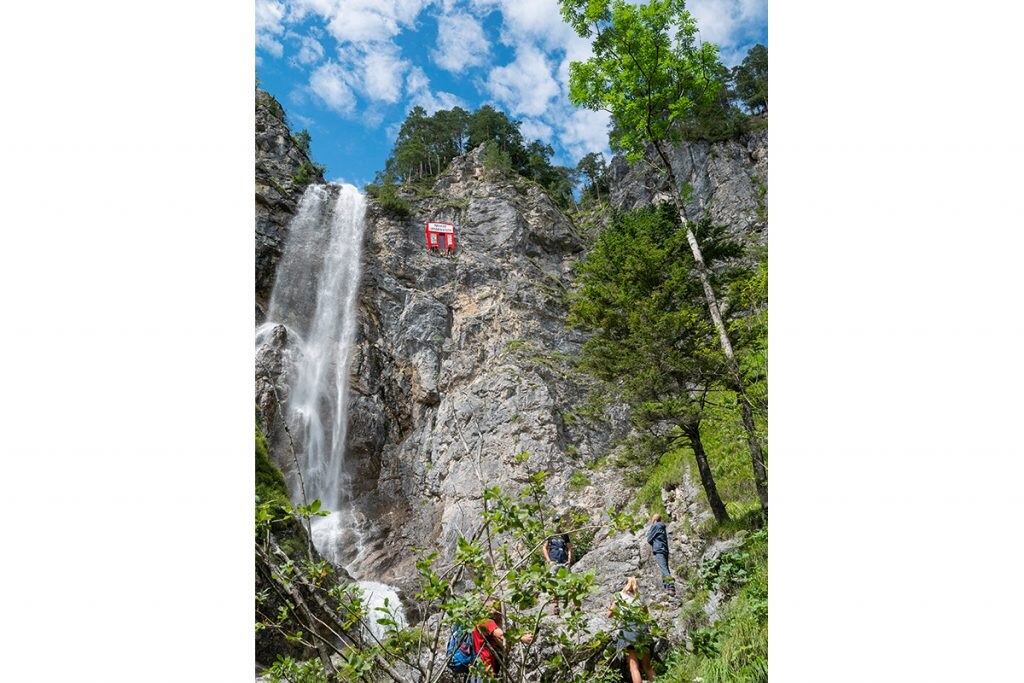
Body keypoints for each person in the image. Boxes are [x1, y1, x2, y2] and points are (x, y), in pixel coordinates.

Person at [470, 600, 533, 682]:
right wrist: (522, 638)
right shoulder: (487, 622)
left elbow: (502, 644)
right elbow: (501, 635)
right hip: (486, 667)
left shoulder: (478, 621)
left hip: (479, 666)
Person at [608, 577, 656, 683]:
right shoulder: (640, 597)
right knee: (647, 667)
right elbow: (646, 615)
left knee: (634, 668)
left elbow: (609, 614)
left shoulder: (619, 596)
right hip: (642, 630)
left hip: (628, 631)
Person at [543, 514, 572, 615]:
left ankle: (569, 605)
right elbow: (544, 548)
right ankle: (555, 606)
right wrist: (548, 560)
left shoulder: (565, 535)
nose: (557, 524)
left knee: (567, 583)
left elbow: (569, 548)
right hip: (554, 562)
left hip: (564, 562)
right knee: (553, 584)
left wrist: (569, 559)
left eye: (558, 521)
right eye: (556, 522)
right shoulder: (550, 535)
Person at [646, 513, 675, 596]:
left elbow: (649, 539)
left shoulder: (656, 526)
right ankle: (667, 587)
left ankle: (671, 586)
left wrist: (652, 527)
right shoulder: (662, 526)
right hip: (665, 549)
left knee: (664, 568)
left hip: (659, 549)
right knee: (665, 568)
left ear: (654, 519)